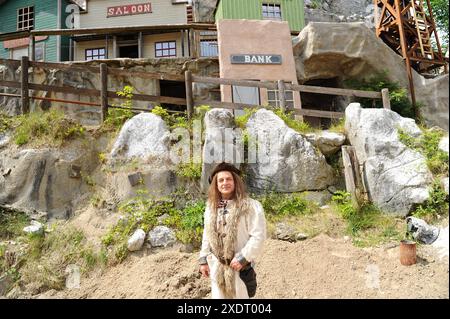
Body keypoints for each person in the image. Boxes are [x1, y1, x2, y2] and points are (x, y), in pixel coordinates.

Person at [198, 162, 267, 299]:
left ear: (235, 181)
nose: (225, 183)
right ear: (216, 185)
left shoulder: (251, 206)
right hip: (217, 267)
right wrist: (203, 259)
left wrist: (243, 257)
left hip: (240, 268)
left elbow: (258, 236)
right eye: (221, 180)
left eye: (229, 179)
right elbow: (207, 234)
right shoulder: (211, 207)